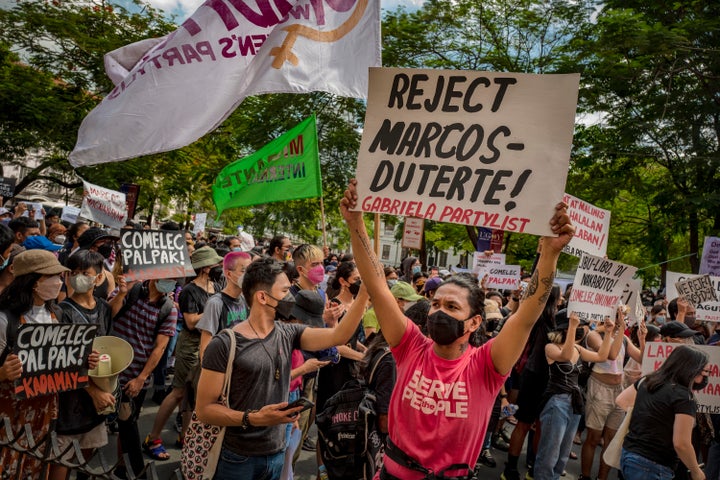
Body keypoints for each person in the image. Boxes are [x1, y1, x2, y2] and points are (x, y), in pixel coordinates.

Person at [339, 179, 574, 479]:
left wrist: (550, 254)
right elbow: (377, 285)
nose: (438, 312)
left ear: (475, 322)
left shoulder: (487, 365)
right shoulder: (410, 345)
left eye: (452, 307)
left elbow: (526, 315)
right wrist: (355, 224)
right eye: (436, 304)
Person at [195, 257, 370, 479]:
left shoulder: (289, 334)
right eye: (286, 290)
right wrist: (252, 418)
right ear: (262, 297)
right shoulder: (225, 344)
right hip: (238, 458)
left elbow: (339, 336)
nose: (290, 297)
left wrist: (364, 294)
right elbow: (204, 409)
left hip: (276, 454)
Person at [0, 249, 75, 479]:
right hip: (9, 416)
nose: (58, 282)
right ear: (33, 282)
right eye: (51, 277)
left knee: (33, 466)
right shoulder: (5, 319)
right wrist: (2, 373)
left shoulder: (57, 314)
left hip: (44, 412)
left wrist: (81, 360)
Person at [143, 246, 224, 456]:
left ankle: (186, 436)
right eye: (215, 263)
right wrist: (214, 307)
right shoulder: (190, 290)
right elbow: (190, 322)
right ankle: (153, 437)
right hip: (191, 346)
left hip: (211, 344)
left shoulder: (217, 285)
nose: (219, 267)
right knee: (178, 392)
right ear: (205, 267)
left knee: (194, 396)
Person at [50, 250, 116, 480]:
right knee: (61, 459)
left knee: (86, 453)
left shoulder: (104, 309)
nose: (78, 277)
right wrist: (93, 391)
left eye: (85, 273)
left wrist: (104, 388)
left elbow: (108, 349)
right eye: (74, 272)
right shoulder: (61, 312)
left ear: (98, 278)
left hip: (94, 404)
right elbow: (60, 362)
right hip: (69, 401)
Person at [533, 311, 615, 480]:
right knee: (550, 451)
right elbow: (565, 356)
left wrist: (608, 333)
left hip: (574, 402)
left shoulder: (577, 348)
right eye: (578, 326)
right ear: (565, 328)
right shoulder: (551, 347)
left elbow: (602, 356)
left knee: (563, 452)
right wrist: (572, 327)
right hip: (556, 401)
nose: (582, 329)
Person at [111, 276, 178, 476]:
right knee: (94, 427)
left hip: (134, 377)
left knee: (128, 424)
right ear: (153, 276)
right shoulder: (130, 290)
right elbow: (108, 313)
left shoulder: (169, 309)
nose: (171, 283)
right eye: (168, 278)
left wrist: (141, 378)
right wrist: (122, 293)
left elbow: (160, 348)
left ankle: (125, 468)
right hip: (107, 370)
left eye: (174, 280)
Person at [615, 345, 708, 480]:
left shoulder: (648, 380)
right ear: (691, 370)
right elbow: (681, 443)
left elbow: (621, 400)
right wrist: (696, 471)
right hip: (653, 465)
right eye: (704, 372)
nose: (705, 377)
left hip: (629, 453)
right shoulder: (684, 397)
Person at [580, 306, 645, 480]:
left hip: (619, 391)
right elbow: (611, 354)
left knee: (611, 442)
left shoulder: (623, 338)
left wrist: (642, 339)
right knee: (593, 438)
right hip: (599, 387)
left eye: (622, 315)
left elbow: (643, 359)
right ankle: (585, 476)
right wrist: (619, 330)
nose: (621, 319)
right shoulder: (595, 335)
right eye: (618, 315)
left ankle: (602, 478)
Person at [196, 251, 251, 358]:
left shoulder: (245, 300)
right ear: (229, 274)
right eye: (243, 271)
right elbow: (205, 346)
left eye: (250, 271)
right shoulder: (216, 303)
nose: (248, 275)